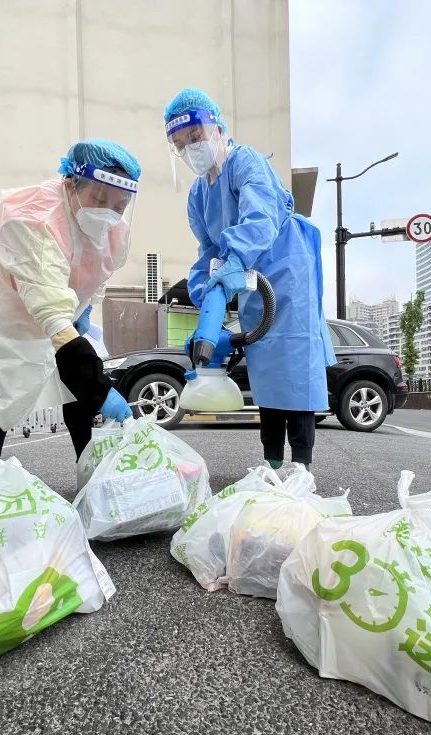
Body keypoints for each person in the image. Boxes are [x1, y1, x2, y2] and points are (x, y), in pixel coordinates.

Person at [164, 88, 335, 471]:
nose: (191, 148)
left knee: (294, 366)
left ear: (218, 129)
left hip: (286, 266)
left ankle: (302, 469)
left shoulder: (245, 162)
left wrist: (235, 260)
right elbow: (209, 249)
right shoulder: (197, 193)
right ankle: (273, 466)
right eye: (180, 144)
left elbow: (260, 219)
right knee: (266, 369)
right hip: (248, 276)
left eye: (195, 137)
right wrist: (205, 289)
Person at [0, 139, 139, 473]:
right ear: (71, 185)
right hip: (6, 306)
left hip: (59, 301)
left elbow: (99, 273)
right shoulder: (34, 222)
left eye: (119, 205)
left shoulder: (114, 228)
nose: (108, 212)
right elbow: (51, 314)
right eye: (98, 198)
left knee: (77, 386)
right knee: (0, 383)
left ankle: (91, 471)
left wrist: (84, 311)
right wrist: (102, 390)